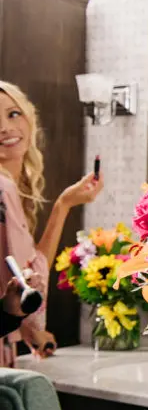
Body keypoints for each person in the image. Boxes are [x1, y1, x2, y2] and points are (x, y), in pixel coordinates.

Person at [0, 81, 104, 366]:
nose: (6, 128)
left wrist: (63, 205)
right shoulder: (2, 189)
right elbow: (30, 286)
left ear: (28, 116)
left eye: (12, 114)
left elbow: (26, 274)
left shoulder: (11, 188)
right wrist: (30, 327)